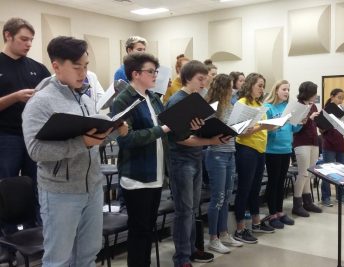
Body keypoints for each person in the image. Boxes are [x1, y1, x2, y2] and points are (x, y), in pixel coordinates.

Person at [22, 36, 128, 267]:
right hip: (60, 192)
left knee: (88, 255)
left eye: (86, 66)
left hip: (92, 188)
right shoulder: (40, 102)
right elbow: (36, 150)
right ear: (57, 66)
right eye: (76, 66)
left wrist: (114, 130)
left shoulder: (86, 99)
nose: (83, 72)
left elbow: (93, 140)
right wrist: (82, 142)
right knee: (58, 260)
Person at [166, 60, 230, 267]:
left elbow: (193, 131)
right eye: (200, 79)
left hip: (195, 156)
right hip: (181, 160)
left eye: (205, 80)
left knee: (192, 208)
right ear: (187, 78)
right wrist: (211, 140)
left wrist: (209, 131)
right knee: (184, 210)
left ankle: (192, 249)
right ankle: (182, 257)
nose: (204, 84)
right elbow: (178, 138)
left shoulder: (195, 99)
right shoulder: (177, 100)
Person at [112, 52, 168, 267]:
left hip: (155, 174)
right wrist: (160, 130)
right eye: (151, 71)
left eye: (156, 71)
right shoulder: (124, 99)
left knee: (148, 229)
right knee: (139, 230)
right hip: (137, 175)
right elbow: (127, 139)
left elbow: (166, 125)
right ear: (136, 74)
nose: (155, 75)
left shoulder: (152, 97)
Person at [0, 17, 50, 230]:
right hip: (6, 137)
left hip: (34, 136)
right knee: (7, 187)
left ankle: (35, 232)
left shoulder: (38, 68)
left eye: (31, 40)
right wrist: (15, 97)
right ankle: (7, 237)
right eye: (23, 39)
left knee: (36, 186)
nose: (29, 44)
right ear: (7, 36)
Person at [233, 73, 275, 244]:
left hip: (260, 149)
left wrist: (271, 126)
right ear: (250, 85)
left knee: (256, 187)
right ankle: (240, 228)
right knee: (245, 188)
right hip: (246, 148)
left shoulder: (260, 104)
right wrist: (260, 127)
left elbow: (260, 128)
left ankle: (256, 223)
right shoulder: (242, 103)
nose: (262, 89)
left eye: (263, 85)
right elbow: (240, 130)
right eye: (259, 85)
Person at [204, 74, 244, 254]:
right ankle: (213, 238)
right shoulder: (212, 107)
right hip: (216, 154)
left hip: (230, 153)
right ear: (223, 88)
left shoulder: (232, 105)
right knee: (218, 197)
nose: (232, 90)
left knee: (227, 196)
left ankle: (224, 233)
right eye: (229, 87)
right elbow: (206, 131)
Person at [263, 80, 302, 229]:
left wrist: (300, 122)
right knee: (273, 182)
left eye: (288, 89)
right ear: (276, 90)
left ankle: (279, 212)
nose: (286, 92)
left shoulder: (288, 107)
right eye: (284, 89)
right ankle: (272, 214)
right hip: (272, 149)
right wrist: (278, 124)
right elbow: (265, 129)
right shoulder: (268, 107)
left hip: (286, 148)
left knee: (280, 182)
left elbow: (294, 129)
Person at [292, 81, 323, 217]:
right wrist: (309, 118)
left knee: (309, 173)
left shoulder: (313, 106)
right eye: (314, 93)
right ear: (308, 93)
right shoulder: (297, 106)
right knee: (303, 173)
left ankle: (307, 202)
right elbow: (296, 126)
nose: (315, 95)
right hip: (301, 142)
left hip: (314, 141)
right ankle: (297, 204)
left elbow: (314, 124)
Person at [320, 88, 344, 207]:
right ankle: (326, 197)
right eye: (339, 97)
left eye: (342, 98)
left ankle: (341, 195)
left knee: (342, 172)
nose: (341, 100)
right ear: (332, 97)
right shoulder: (325, 111)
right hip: (329, 144)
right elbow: (321, 128)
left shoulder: (342, 110)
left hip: (341, 144)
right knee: (327, 172)